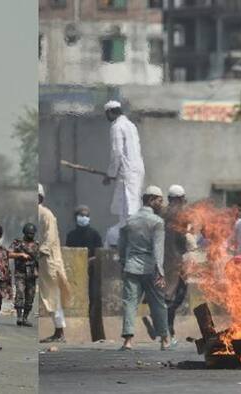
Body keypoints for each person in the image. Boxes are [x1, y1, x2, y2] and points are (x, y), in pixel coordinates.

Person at [119, 185, 170, 351]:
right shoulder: (157, 222)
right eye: (159, 200)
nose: (161, 204)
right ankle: (164, 340)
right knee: (158, 304)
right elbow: (158, 249)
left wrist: (123, 263)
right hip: (150, 268)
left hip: (131, 266)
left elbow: (121, 247)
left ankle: (128, 341)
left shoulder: (130, 221)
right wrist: (160, 273)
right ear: (151, 199)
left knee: (130, 303)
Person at [102, 100, 145, 247]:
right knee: (133, 203)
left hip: (127, 172)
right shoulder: (131, 125)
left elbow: (117, 153)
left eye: (106, 114)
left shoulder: (117, 127)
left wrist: (111, 174)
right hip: (136, 170)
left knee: (128, 207)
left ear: (110, 112)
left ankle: (130, 235)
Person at [65, 204, 104, 341]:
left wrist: (88, 261)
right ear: (76, 217)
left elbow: (100, 254)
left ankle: (94, 331)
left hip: (92, 273)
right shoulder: (71, 235)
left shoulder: (95, 234)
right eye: (81, 215)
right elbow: (69, 254)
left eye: (86, 215)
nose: (84, 218)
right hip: (76, 275)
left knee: (93, 300)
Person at [38, 183, 72, 343]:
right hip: (43, 259)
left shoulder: (46, 214)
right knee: (48, 296)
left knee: (52, 296)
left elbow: (49, 238)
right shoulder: (40, 214)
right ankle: (58, 331)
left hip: (48, 261)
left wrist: (40, 251)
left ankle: (60, 332)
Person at [162, 185, 190, 346]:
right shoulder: (181, 214)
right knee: (178, 295)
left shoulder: (162, 212)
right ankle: (168, 331)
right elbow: (181, 239)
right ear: (180, 198)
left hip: (163, 261)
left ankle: (166, 330)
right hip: (177, 260)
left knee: (166, 296)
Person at [10, 223, 40, 327]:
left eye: (32, 233)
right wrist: (21, 255)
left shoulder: (37, 245)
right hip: (20, 273)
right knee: (20, 294)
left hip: (31, 274)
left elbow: (40, 260)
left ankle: (25, 318)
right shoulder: (18, 243)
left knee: (30, 297)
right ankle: (19, 317)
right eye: (29, 233)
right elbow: (9, 253)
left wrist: (38, 270)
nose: (31, 235)